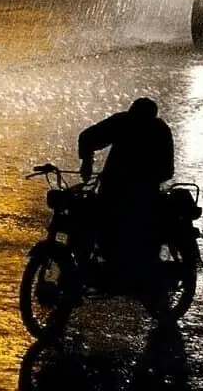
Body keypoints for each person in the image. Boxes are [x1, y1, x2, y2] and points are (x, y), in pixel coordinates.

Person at [77, 97, 175, 294]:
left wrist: (87, 161)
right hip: (139, 193)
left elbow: (88, 137)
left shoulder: (124, 123)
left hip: (123, 192)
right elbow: (167, 171)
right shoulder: (157, 129)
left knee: (96, 224)